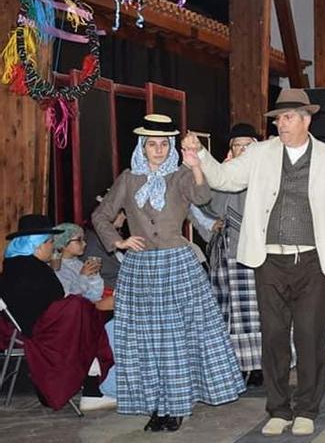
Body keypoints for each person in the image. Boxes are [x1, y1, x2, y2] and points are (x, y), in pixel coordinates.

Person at [181, 89, 325, 437]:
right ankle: (278, 408)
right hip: (269, 260)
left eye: (287, 117)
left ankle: (307, 408)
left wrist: (324, 230)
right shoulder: (260, 153)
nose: (280, 124)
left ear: (306, 119)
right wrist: (200, 155)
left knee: (310, 336)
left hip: (313, 261)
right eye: (277, 119)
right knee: (274, 337)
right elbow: (226, 179)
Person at [93, 114, 244, 432]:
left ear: (171, 146)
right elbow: (101, 216)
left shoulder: (180, 176)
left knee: (176, 339)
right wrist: (119, 241)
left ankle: (175, 407)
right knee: (147, 341)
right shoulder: (128, 179)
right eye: (152, 144)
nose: (158, 150)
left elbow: (204, 200)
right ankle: (156, 407)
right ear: (142, 147)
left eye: (164, 144)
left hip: (177, 264)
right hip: (141, 268)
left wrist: (196, 165)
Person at [0, 215, 115, 411]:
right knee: (93, 320)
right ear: (38, 245)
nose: (53, 247)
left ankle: (94, 386)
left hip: (28, 328)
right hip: (44, 332)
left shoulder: (12, 266)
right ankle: (93, 389)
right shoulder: (35, 270)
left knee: (86, 313)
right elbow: (58, 302)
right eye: (51, 242)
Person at [188, 122, 265, 386]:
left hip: (261, 252)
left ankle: (262, 366)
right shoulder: (220, 173)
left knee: (262, 311)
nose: (243, 150)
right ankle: (237, 366)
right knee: (232, 311)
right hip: (229, 252)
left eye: (248, 145)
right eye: (237, 145)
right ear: (230, 149)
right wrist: (211, 227)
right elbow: (204, 206)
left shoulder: (267, 171)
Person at [52, 223, 105, 303]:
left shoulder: (78, 263)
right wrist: (83, 276)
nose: (84, 244)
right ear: (63, 244)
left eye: (83, 240)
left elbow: (95, 295)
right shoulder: (57, 268)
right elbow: (67, 298)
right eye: (79, 240)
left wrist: (94, 276)